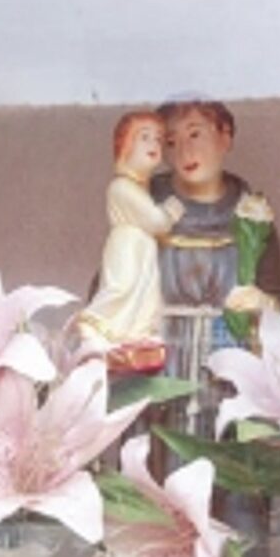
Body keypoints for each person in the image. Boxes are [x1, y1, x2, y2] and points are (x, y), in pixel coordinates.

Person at [107, 98, 280, 557]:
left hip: (228, 385)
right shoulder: (146, 211)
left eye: (195, 134)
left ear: (225, 136)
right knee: (155, 516)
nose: (184, 151)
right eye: (170, 139)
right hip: (161, 384)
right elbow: (114, 284)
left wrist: (262, 307)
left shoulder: (252, 215)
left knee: (234, 513)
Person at [78, 111, 184, 369]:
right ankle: (93, 325)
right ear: (124, 145)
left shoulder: (137, 188)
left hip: (142, 248)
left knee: (146, 296)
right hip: (128, 248)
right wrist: (171, 210)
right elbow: (156, 221)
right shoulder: (122, 187)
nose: (154, 144)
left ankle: (135, 337)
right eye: (144, 137)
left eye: (158, 139)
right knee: (122, 288)